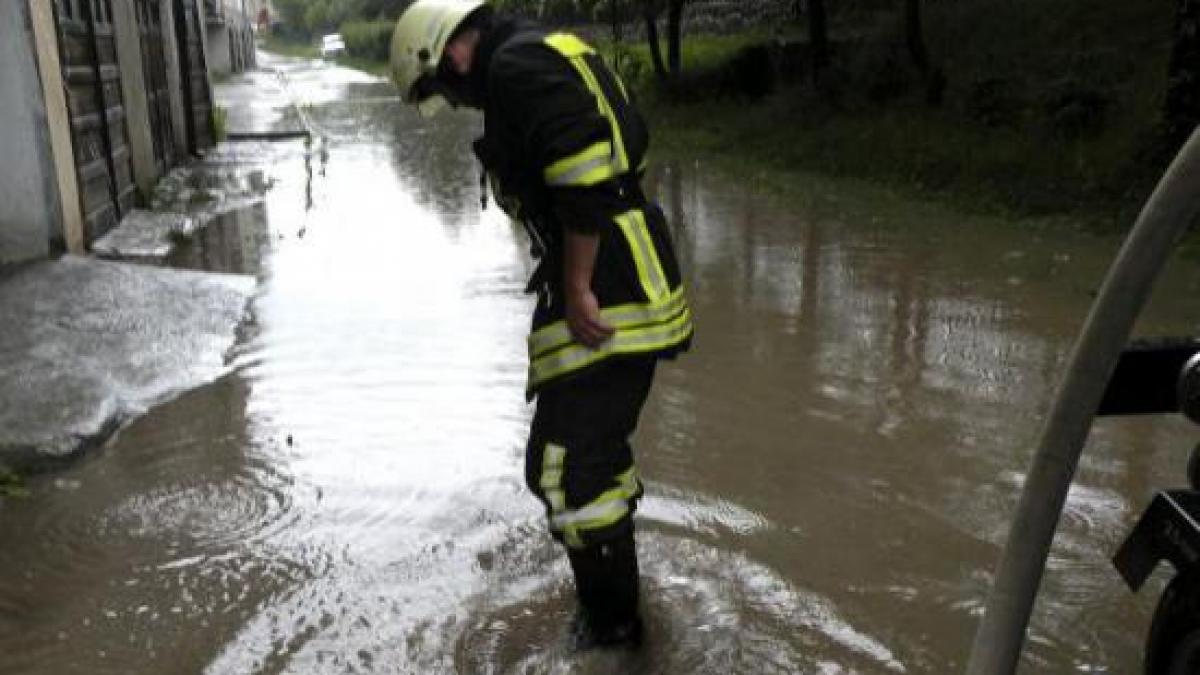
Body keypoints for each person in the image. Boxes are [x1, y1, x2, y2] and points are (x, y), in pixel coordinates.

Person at [390, 0, 693, 647]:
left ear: (450, 53)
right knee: (573, 462)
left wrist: (579, 280)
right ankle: (614, 616)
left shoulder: (514, 68)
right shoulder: (537, 50)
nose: (454, 99)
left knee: (572, 467)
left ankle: (616, 636)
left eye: (441, 86)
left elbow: (583, 164)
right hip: (616, 269)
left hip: (608, 282)